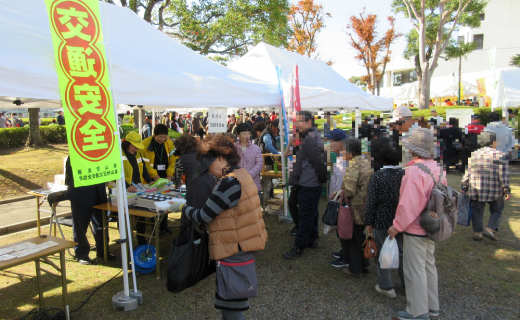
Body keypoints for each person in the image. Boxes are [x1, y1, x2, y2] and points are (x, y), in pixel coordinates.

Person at [168, 135, 267, 320]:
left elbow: (204, 215)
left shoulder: (229, 182)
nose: (208, 170)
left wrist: (182, 208)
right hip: (239, 245)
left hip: (233, 248)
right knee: (230, 303)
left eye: (208, 164)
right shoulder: (242, 174)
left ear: (221, 158)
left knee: (232, 307)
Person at [388, 127, 445, 320]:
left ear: (413, 149)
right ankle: (432, 307)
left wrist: (396, 226)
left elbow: (408, 205)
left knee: (415, 269)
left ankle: (417, 311)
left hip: (416, 227)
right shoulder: (438, 168)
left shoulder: (414, 171)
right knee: (429, 265)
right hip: (433, 224)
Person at [364, 137, 405, 298]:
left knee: (383, 252)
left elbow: (372, 202)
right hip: (401, 219)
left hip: (381, 219)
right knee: (402, 252)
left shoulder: (378, 176)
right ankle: (406, 284)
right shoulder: (405, 174)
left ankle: (386, 285)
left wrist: (369, 221)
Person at [283, 111, 327, 259]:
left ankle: (299, 246)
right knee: (308, 211)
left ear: (308, 122)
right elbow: (292, 154)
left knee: (306, 214)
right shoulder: (307, 137)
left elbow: (320, 163)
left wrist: (322, 179)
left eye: (300, 121)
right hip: (305, 182)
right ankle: (312, 238)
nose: (297, 125)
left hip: (309, 183)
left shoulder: (312, 138)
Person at [333, 137, 373, 277]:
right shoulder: (365, 162)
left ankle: (356, 269)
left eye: (344, 149)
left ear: (350, 151)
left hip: (355, 208)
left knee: (353, 239)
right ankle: (365, 264)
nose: (342, 152)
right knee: (360, 236)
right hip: (366, 206)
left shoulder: (353, 166)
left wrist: (338, 193)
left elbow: (349, 191)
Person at [461, 131, 510, 242]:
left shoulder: (474, 154)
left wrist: (464, 186)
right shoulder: (500, 155)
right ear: (494, 142)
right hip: (495, 190)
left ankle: (478, 233)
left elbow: (468, 172)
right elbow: (504, 175)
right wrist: (507, 190)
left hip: (476, 188)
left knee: (477, 210)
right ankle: (490, 229)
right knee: (497, 210)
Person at [65, 156, 113, 265]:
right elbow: (69, 175)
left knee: (101, 224)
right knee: (80, 226)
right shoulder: (74, 154)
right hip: (81, 194)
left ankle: (103, 251)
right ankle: (81, 254)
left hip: (98, 193)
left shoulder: (100, 153)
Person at [141, 124, 177, 234]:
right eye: (159, 137)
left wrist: (170, 175)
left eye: (164, 137)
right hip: (151, 177)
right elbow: (145, 164)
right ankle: (154, 227)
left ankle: (164, 225)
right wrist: (155, 176)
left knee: (166, 199)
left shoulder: (169, 143)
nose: (162, 140)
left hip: (165, 175)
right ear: (154, 135)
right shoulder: (145, 144)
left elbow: (173, 159)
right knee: (153, 200)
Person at [121, 132, 153, 246]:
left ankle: (141, 240)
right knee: (125, 217)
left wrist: (150, 181)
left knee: (141, 213)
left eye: (137, 147)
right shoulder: (118, 153)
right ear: (127, 143)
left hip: (138, 188)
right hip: (123, 191)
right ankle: (126, 241)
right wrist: (126, 186)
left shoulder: (138, 153)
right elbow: (116, 174)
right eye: (134, 146)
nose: (136, 149)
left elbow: (143, 168)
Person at [326, 129, 350, 268]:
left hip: (342, 199)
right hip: (336, 198)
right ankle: (344, 251)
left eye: (332, 141)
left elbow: (341, 181)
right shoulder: (338, 156)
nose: (329, 144)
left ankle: (346, 257)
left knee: (344, 228)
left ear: (340, 142)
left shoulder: (346, 159)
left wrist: (335, 197)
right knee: (340, 227)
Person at [174, 134, 217, 207]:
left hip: (195, 188)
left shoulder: (181, 160)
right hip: (210, 184)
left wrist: (177, 185)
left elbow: (176, 179)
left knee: (193, 211)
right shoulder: (203, 154)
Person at [235, 123, 263, 200]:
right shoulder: (234, 149)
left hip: (253, 185)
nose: (247, 136)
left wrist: (248, 175)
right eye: (244, 134)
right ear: (238, 135)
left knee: (255, 209)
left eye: (248, 133)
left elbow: (259, 164)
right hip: (238, 186)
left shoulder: (256, 148)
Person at [258, 119, 280, 200]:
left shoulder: (270, 132)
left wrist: (280, 137)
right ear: (273, 126)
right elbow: (268, 146)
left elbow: (273, 139)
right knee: (267, 182)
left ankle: (269, 197)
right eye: (278, 129)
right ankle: (266, 199)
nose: (278, 131)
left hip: (269, 161)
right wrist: (278, 154)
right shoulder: (267, 134)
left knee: (269, 182)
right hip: (266, 161)